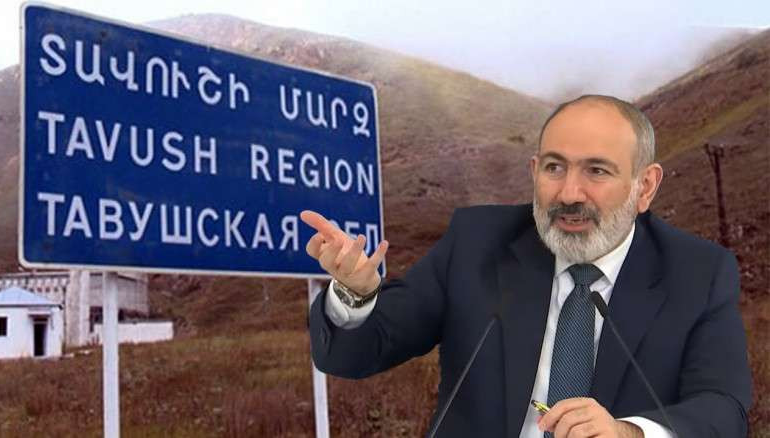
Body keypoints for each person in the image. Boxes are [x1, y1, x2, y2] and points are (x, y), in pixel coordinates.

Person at [301, 95, 752, 437]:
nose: (569, 193)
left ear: (645, 186)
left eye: (596, 171)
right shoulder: (477, 243)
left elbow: (723, 409)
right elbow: (354, 354)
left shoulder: (698, 272)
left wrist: (628, 433)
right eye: (555, 168)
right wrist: (355, 293)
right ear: (534, 169)